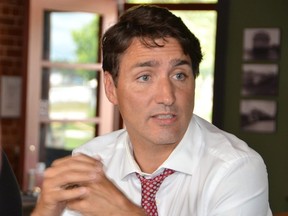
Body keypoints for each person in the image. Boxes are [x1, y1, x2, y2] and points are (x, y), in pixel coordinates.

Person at [32, 5, 272, 216]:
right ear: (111, 88)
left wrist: (122, 212)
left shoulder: (236, 168)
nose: (167, 97)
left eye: (179, 75)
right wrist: (46, 210)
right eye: (145, 77)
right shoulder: (92, 160)